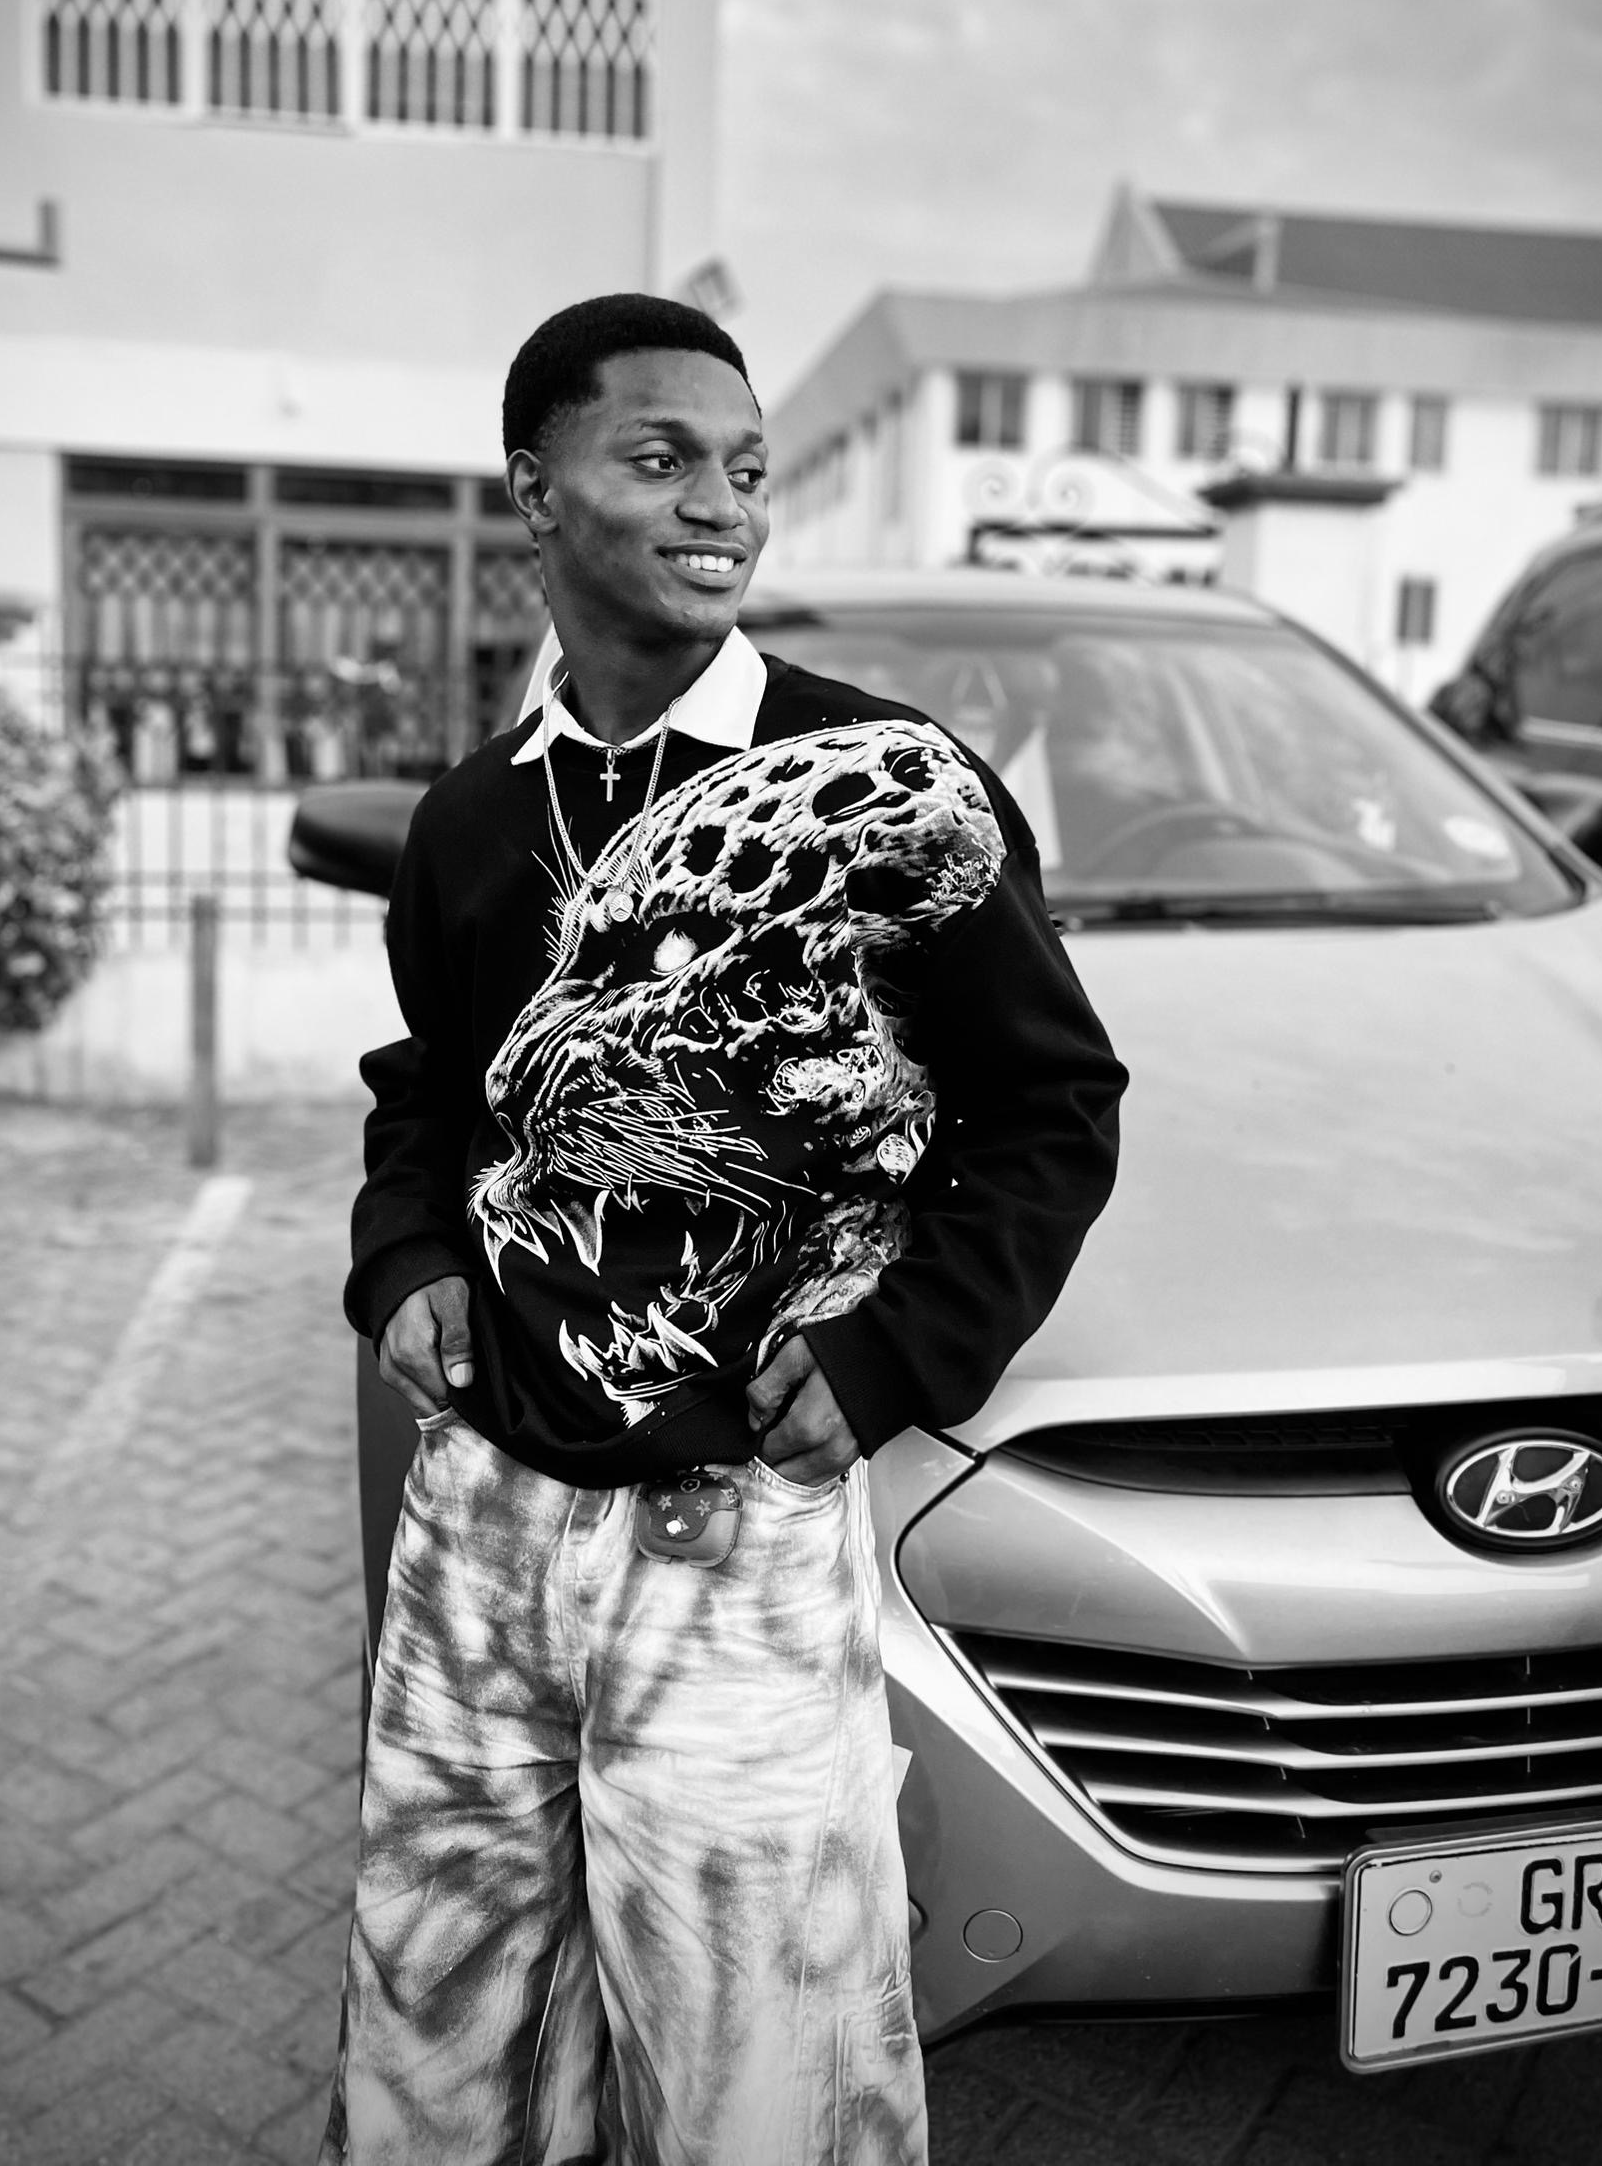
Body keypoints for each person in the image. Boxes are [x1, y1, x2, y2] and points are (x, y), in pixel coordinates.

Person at [322, 295, 1127, 2166]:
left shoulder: (885, 780)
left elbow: (1051, 1106)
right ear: (536, 490)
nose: (723, 507)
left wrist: (898, 1349)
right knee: (444, 2060)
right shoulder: (469, 821)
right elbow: (434, 1086)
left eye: (747, 470)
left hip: (732, 1540)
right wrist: (407, 1255)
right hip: (480, 1533)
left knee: (763, 2090)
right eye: (662, 458)